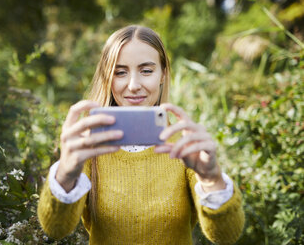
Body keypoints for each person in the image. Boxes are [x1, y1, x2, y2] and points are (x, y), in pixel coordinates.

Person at [37, 25, 245, 244]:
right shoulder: (90, 146)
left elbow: (225, 236)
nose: (134, 85)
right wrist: (66, 172)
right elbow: (55, 228)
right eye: (120, 72)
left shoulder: (184, 147)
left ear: (163, 74)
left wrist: (211, 178)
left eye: (146, 71)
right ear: (107, 77)